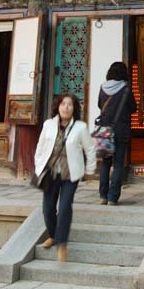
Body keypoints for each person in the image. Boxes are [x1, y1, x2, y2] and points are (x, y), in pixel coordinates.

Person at [32, 92, 96, 263]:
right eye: (63, 104)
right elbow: (40, 147)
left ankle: (62, 244)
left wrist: (90, 169)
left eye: (69, 104)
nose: (66, 107)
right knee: (48, 209)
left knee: (65, 207)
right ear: (57, 107)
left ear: (74, 108)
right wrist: (38, 166)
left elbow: (90, 149)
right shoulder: (48, 125)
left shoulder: (80, 127)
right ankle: (52, 235)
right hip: (51, 173)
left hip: (71, 174)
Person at [97, 61, 138, 206]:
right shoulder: (126, 89)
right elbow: (133, 108)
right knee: (119, 163)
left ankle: (103, 195)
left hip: (105, 131)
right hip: (121, 130)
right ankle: (113, 198)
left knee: (105, 163)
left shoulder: (103, 88)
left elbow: (99, 105)